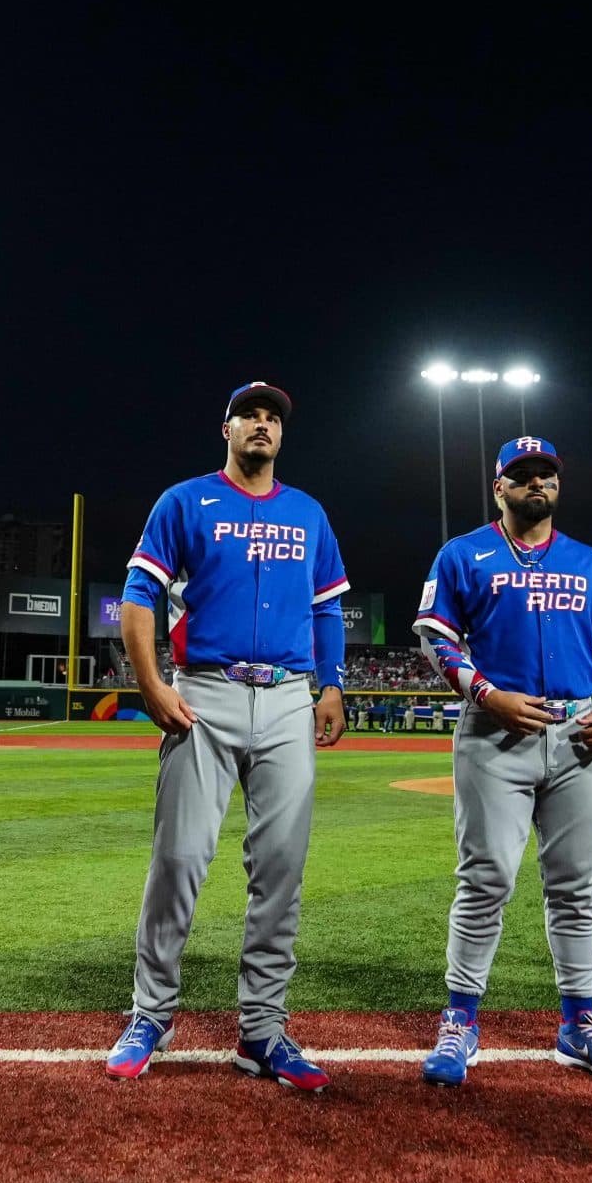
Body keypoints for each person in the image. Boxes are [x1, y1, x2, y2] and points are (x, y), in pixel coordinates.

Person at [106, 382, 349, 1090]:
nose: (262, 425)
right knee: (179, 858)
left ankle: (262, 1028)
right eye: (250, 415)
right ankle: (151, 1013)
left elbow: (328, 608)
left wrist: (331, 685)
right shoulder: (185, 501)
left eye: (273, 418)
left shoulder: (308, 512)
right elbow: (140, 593)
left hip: (286, 698)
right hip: (205, 693)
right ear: (227, 429)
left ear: (282, 434)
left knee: (280, 869)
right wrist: (151, 683)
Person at [411, 436, 592, 1088]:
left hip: (578, 736)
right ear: (500, 488)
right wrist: (487, 694)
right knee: (486, 879)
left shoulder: (589, 563)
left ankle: (580, 1023)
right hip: (494, 731)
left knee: (576, 886)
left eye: (546, 474)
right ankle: (459, 1019)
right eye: (522, 475)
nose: (536, 483)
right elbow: (437, 642)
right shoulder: (464, 554)